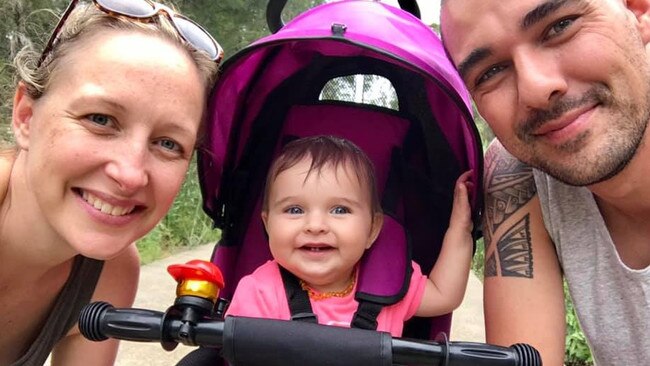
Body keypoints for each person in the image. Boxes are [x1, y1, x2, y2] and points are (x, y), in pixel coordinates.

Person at [0, 0, 222, 364]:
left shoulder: (111, 272)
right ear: (25, 116)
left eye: (168, 143)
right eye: (100, 119)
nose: (131, 174)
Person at [439, 0, 650, 365]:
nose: (535, 89)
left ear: (638, 10)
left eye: (560, 26)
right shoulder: (516, 172)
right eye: (490, 73)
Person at [225, 135, 474, 337]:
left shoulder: (389, 285)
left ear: (372, 229)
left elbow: (444, 295)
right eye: (295, 210)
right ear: (267, 224)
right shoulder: (258, 293)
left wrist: (459, 229)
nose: (315, 225)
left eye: (340, 210)